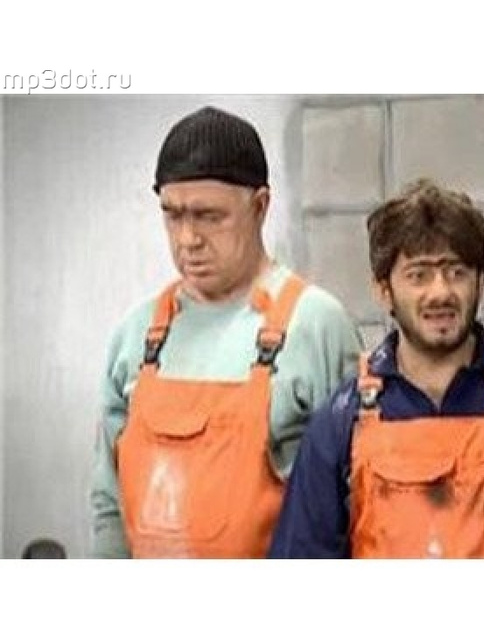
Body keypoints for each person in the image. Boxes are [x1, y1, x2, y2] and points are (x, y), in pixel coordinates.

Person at [270, 178, 484, 559]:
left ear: (481, 283)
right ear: (384, 290)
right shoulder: (338, 425)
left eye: (456, 272)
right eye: (418, 275)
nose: (440, 292)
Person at [90, 106, 362, 558]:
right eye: (173, 215)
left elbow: (358, 502)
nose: (188, 239)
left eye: (209, 216)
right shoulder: (135, 335)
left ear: (260, 207)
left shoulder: (317, 326)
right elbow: (107, 505)